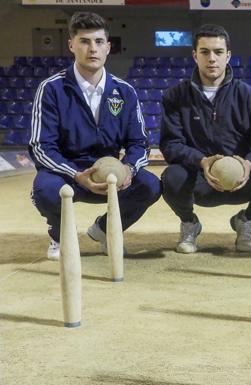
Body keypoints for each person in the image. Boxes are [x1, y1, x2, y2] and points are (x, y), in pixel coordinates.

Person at [29, 12, 161, 261]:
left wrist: (129, 169)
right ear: (71, 45)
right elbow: (40, 147)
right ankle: (59, 234)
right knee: (45, 190)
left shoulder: (125, 91)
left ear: (108, 47)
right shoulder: (51, 89)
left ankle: (104, 230)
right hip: (67, 173)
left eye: (99, 42)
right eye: (84, 41)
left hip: (110, 173)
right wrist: (76, 175)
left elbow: (139, 143)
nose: (92, 49)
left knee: (151, 185)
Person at [160, 24, 251, 254]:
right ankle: (190, 223)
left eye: (218, 52)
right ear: (195, 55)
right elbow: (170, 145)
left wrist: (248, 164)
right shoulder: (176, 96)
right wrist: (202, 162)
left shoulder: (249, 96)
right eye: (205, 52)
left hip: (242, 179)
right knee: (171, 177)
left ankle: (246, 220)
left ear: (228, 56)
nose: (212, 58)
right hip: (200, 180)